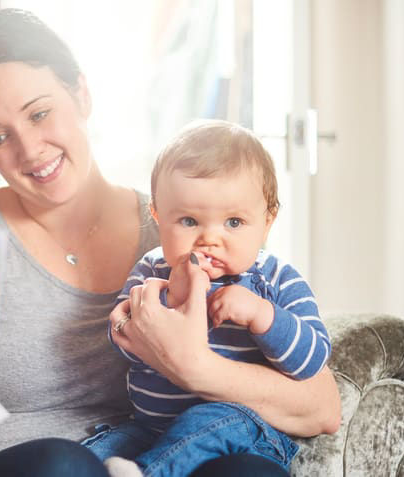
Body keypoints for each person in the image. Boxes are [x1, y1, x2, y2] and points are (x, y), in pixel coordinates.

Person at [0, 8, 341, 477]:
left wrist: (194, 366)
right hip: (44, 464)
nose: (29, 150)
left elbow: (323, 408)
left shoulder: (184, 227)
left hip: (173, 452)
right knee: (64, 465)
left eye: (40, 113)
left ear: (81, 94)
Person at [83, 120, 331, 477]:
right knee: (95, 453)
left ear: (268, 219)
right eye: (188, 221)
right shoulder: (153, 270)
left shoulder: (276, 279)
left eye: (233, 222)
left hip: (243, 429)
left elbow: (312, 360)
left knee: (211, 418)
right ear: (157, 215)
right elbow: (122, 344)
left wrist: (263, 316)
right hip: (151, 429)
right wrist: (173, 299)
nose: (209, 239)